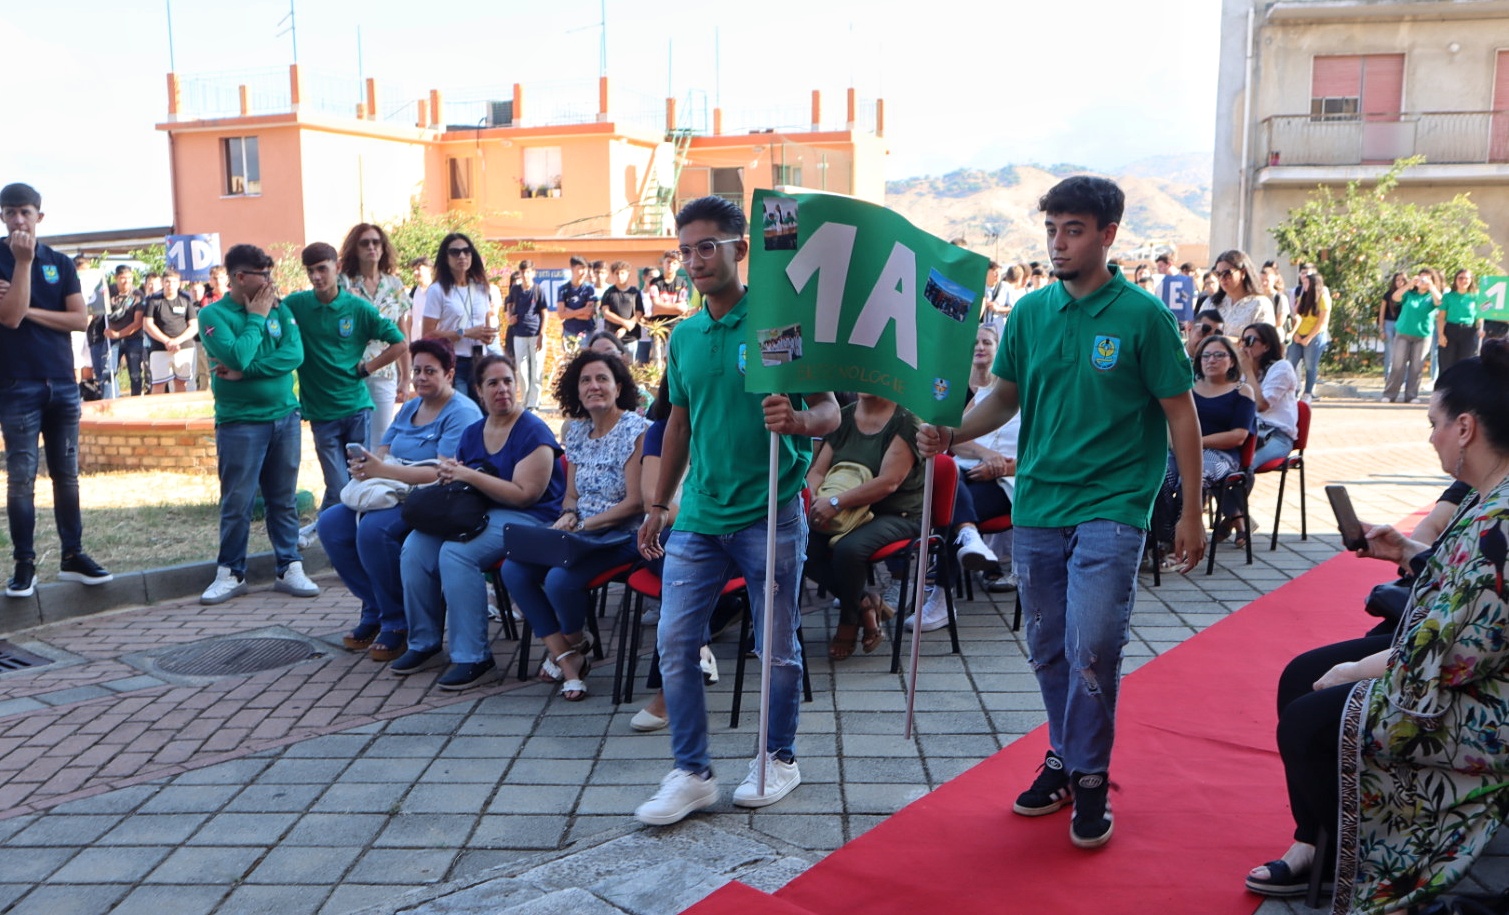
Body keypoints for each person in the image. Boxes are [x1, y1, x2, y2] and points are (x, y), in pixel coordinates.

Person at [917, 176, 1206, 850]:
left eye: (1073, 229)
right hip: (1040, 503)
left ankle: (1090, 775)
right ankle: (1064, 753)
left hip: (1112, 505)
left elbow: (1179, 415)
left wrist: (1190, 510)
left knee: (1093, 646)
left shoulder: (1142, 316)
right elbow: (1001, 399)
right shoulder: (1030, 314)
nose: (1058, 241)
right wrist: (952, 432)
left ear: (1107, 234)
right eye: (1051, 228)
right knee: (1049, 646)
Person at [1245, 340, 1509, 914]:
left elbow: (1456, 653)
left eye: (1434, 424)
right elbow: (1454, 590)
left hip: (1485, 702)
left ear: (1465, 428)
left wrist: (1362, 667)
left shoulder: (1501, 521)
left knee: (1310, 720)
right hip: (1450, 663)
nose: (1430, 436)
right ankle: (1319, 843)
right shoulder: (1487, 500)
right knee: (1301, 677)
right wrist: (1407, 551)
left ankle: (1361, 860)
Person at [632, 196, 840, 826]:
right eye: (685, 249)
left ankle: (777, 757)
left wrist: (800, 420)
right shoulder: (687, 335)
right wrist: (659, 503)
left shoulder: (779, 324)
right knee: (675, 643)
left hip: (771, 511)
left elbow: (831, 412)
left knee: (776, 647)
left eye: (707, 247)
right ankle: (691, 773)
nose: (694, 260)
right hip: (698, 515)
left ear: (739, 249)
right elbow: (678, 425)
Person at [392, 353, 565, 690]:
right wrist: (451, 477)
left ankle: (474, 657)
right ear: (479, 391)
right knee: (415, 546)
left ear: (517, 385)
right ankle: (424, 643)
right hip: (483, 512)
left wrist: (468, 475)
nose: (502, 389)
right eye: (493, 383)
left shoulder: (533, 431)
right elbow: (466, 482)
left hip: (533, 518)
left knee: (456, 553)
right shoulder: (473, 432)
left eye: (507, 381)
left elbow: (525, 495)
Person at [317, 338, 480, 664]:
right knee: (331, 524)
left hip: (434, 500)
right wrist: (367, 466)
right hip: (391, 492)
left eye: (430, 371)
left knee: (373, 531)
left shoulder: (461, 412)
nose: (420, 377)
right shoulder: (409, 407)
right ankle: (375, 605)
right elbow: (382, 451)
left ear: (449, 374)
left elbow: (443, 472)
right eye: (417, 370)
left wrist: (385, 468)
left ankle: (397, 621)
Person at [500, 351, 648, 700]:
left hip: (620, 535)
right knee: (513, 569)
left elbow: (635, 502)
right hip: (581, 535)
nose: (593, 386)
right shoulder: (577, 431)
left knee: (559, 580)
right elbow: (570, 495)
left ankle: (570, 648)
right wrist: (568, 515)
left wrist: (586, 524)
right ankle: (569, 657)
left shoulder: (636, 430)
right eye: (585, 380)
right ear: (576, 390)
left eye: (602, 379)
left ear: (618, 386)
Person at [0, 183, 112, 597]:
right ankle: (24, 565)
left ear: (39, 217)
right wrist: (22, 265)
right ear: (1, 216)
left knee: (67, 477)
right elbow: (9, 320)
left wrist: (26, 305)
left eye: (25, 212)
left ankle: (73, 555)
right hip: (16, 384)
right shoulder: (4, 258)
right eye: (10, 212)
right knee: (21, 478)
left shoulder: (61, 263)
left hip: (62, 383)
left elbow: (80, 320)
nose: (18, 220)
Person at [196, 243, 320, 605]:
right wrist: (256, 318)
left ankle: (289, 566)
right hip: (240, 423)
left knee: (283, 500)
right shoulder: (212, 315)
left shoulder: (279, 310)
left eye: (270, 273)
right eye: (262, 275)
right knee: (238, 501)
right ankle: (230, 572)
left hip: (285, 416)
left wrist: (245, 372)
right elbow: (235, 353)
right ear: (239, 277)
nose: (270, 282)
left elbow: (294, 354)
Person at [282, 242, 408, 520]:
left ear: (337, 268)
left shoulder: (357, 308)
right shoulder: (296, 305)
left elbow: (399, 343)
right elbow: (272, 321)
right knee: (338, 483)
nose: (316, 277)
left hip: (355, 409)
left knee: (358, 480)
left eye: (322, 269)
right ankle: (333, 533)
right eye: (311, 271)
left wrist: (367, 368)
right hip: (321, 413)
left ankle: (344, 534)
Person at [804, 394, 921, 660]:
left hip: (894, 513)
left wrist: (835, 502)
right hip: (845, 511)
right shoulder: (844, 415)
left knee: (848, 550)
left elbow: (889, 482)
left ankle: (848, 621)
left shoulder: (906, 421)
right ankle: (865, 603)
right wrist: (812, 498)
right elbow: (819, 471)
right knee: (802, 546)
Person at [1155, 334, 1256, 548]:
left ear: (1232, 360)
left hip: (1221, 454)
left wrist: (1197, 442)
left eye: (1219, 355)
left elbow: (1239, 435)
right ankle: (1165, 538)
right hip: (1181, 450)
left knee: (1192, 481)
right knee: (1159, 476)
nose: (1211, 360)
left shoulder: (1241, 391)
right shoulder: (1188, 388)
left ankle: (1184, 541)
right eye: (1206, 355)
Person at [338, 223, 413, 449]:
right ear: (355, 248)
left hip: (384, 370)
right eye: (364, 243)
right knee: (352, 441)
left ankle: (375, 484)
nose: (371, 247)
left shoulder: (394, 284)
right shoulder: (343, 282)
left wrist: (406, 377)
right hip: (350, 371)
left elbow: (403, 333)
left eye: (376, 242)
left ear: (383, 248)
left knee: (380, 439)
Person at [422, 233, 499, 403]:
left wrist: (488, 335)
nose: (462, 256)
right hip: (455, 362)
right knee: (462, 411)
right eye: (455, 252)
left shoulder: (481, 288)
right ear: (446, 257)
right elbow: (427, 335)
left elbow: (485, 326)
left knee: (484, 414)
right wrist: (464, 332)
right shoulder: (438, 290)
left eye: (466, 251)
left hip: (480, 361)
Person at [1236, 322, 1300, 470]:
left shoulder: (1282, 367)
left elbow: (1260, 406)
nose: (1245, 345)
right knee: (1219, 460)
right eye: (1243, 340)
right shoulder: (1241, 371)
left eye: (1250, 341)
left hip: (1276, 436)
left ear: (1266, 346)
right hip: (1247, 432)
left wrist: (1248, 371)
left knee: (1245, 464)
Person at [1381, 267, 1440, 404]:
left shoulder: (1431, 296)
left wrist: (1431, 287)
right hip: (1403, 333)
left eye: (1427, 278)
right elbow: (1395, 297)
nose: (1423, 280)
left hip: (1423, 335)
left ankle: (1411, 395)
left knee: (1416, 366)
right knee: (1397, 364)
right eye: (1421, 277)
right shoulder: (1409, 294)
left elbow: (1439, 302)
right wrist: (1409, 285)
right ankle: (1390, 394)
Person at [143, 268, 199, 393]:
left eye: (174, 282)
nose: (170, 285)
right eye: (167, 281)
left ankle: (181, 412)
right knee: (158, 384)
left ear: (179, 284)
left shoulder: (186, 300)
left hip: (184, 348)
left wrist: (176, 341)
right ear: (162, 283)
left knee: (181, 383)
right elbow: (148, 324)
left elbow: (194, 326)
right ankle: (158, 412)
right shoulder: (153, 301)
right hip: (159, 349)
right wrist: (167, 341)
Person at [503, 260, 549, 412]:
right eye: (523, 272)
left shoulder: (538, 290)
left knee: (536, 369)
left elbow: (544, 313)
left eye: (529, 272)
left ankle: (534, 403)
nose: (526, 275)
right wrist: (510, 317)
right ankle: (525, 400)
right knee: (522, 370)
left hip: (535, 333)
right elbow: (508, 305)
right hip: (519, 334)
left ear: (533, 273)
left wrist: (542, 334)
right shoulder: (515, 290)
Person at [98, 265, 145, 397]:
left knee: (135, 373)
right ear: (116, 278)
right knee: (108, 372)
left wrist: (119, 334)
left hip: (133, 338)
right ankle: (110, 402)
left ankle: (136, 403)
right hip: (111, 339)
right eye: (123, 278)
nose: (126, 282)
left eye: (129, 278)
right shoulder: (107, 291)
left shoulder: (138, 295)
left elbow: (138, 323)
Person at [1208, 249, 1274, 332]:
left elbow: (1265, 340)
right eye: (1218, 274)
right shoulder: (1210, 303)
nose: (1222, 278)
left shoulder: (1260, 304)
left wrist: (1226, 342)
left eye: (1227, 273)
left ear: (1243, 272)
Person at [1436, 268, 1483, 374]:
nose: (1463, 281)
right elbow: (1441, 318)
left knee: (1466, 365)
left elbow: (1480, 317)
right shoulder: (1448, 296)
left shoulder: (1476, 296)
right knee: (1447, 364)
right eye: (1460, 278)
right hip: (1450, 331)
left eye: (1466, 278)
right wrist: (1440, 335)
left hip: (1469, 332)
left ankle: (1463, 390)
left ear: (1471, 280)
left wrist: (1480, 329)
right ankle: (1445, 389)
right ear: (1455, 280)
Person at [599, 260, 644, 356]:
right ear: (613, 275)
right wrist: (624, 322)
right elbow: (606, 313)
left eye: (622, 273)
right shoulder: (608, 293)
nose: (620, 276)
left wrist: (625, 328)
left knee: (630, 367)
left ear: (628, 274)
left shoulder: (635, 292)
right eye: (617, 273)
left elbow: (639, 313)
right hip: (612, 337)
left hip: (631, 338)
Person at [557, 255, 599, 350]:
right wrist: (582, 310)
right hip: (569, 330)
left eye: (585, 269)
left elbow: (588, 314)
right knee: (569, 361)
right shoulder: (563, 289)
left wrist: (569, 312)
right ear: (572, 269)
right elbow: (561, 314)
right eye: (580, 268)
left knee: (585, 360)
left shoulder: (589, 289)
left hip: (586, 331)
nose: (583, 272)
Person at [1377, 271, 1408, 379]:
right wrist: (1381, 329)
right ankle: (1388, 376)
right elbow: (1381, 313)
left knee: (1403, 351)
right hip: (1389, 324)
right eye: (1397, 280)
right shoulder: (1388, 295)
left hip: (1403, 325)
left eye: (1402, 280)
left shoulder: (1409, 294)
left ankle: (1404, 377)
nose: (1400, 282)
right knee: (1390, 351)